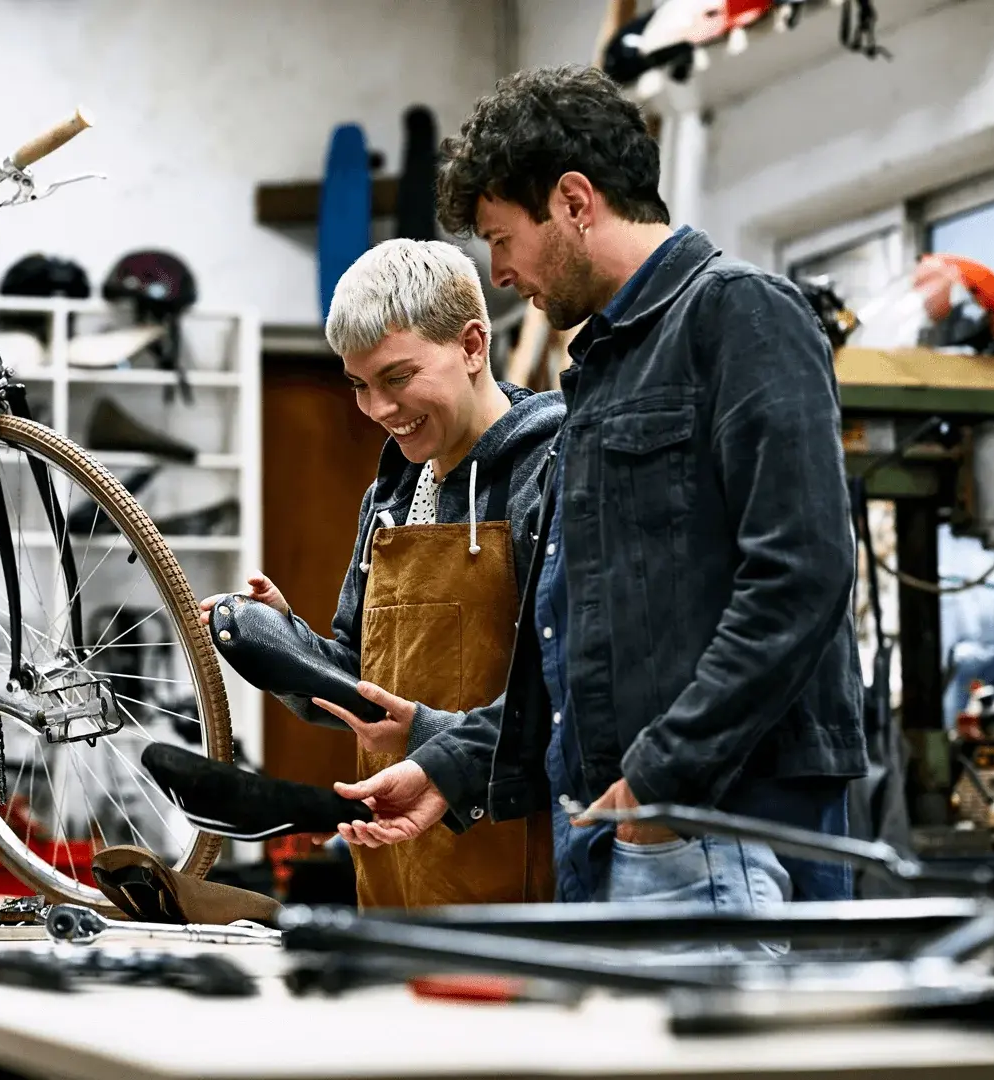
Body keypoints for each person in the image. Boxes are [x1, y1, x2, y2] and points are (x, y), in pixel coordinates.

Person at [331, 64, 867, 909]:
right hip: (621, 824)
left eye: (502, 238)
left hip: (720, 819)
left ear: (575, 202)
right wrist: (449, 767)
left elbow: (801, 577)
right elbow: (571, 645)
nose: (499, 272)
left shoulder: (739, 316)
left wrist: (663, 774)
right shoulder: (602, 372)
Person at [199, 237, 564, 908]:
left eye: (397, 378)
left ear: (473, 346)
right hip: (397, 863)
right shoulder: (390, 497)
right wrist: (285, 645)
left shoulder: (546, 472)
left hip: (516, 867)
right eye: (360, 385)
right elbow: (360, 682)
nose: (378, 409)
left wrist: (425, 737)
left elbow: (562, 697)